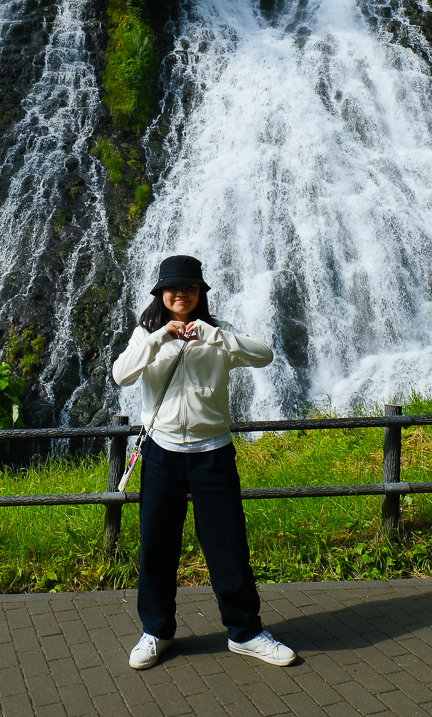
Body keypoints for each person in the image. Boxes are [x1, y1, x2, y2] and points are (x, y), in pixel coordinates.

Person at [113, 254, 296, 670]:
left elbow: (263, 354)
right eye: (174, 288)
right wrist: (160, 338)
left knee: (228, 545)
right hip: (162, 455)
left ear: (200, 293)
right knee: (157, 548)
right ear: (161, 293)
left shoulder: (219, 334)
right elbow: (120, 374)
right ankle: (156, 631)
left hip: (213, 452)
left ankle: (245, 632)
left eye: (190, 288)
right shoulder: (145, 334)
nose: (182, 294)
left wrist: (215, 337)